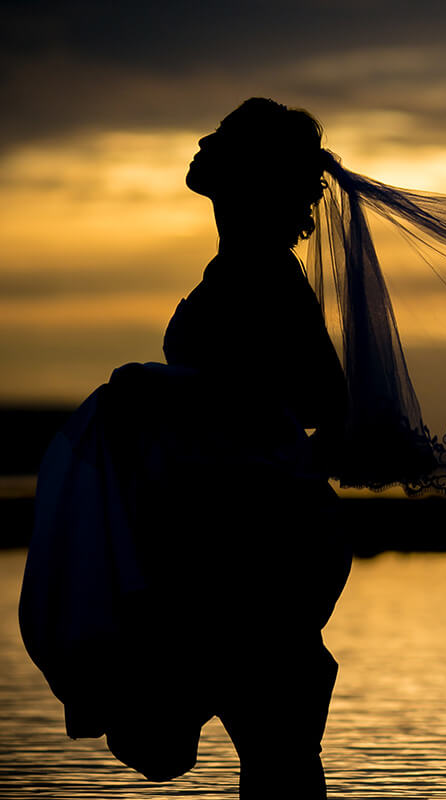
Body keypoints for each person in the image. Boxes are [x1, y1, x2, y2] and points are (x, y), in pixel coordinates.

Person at [22, 98, 353, 799]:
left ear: (247, 173)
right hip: (215, 527)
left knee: (271, 743)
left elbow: (324, 402)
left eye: (223, 138)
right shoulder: (239, 267)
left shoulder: (264, 273)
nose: (202, 142)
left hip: (259, 534)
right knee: (225, 739)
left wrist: (172, 390)